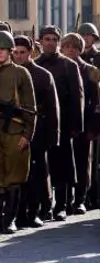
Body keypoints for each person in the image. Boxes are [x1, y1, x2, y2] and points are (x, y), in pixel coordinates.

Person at [34, 25, 84, 221]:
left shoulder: (68, 66)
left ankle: (61, 206)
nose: (51, 43)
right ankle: (44, 205)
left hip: (62, 124)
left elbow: (77, 98)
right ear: (40, 41)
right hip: (40, 124)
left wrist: (75, 126)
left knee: (62, 166)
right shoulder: (35, 65)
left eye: (55, 39)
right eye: (47, 39)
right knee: (41, 167)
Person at [11, 35, 59, 229]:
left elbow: (52, 108)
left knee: (36, 175)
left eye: (22, 52)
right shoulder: (8, 73)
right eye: (15, 52)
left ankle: (34, 212)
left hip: (37, 132)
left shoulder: (42, 75)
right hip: (12, 131)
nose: (19, 56)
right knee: (15, 176)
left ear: (30, 52)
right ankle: (17, 214)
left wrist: (53, 135)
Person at [59, 33, 100, 216]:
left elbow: (97, 101)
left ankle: (80, 200)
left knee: (82, 163)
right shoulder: (59, 68)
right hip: (64, 125)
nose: (71, 50)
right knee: (64, 164)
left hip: (85, 126)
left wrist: (95, 128)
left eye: (75, 47)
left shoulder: (90, 71)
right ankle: (64, 202)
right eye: (67, 46)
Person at [0, 31, 37, 234]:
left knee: (14, 177)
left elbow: (31, 108)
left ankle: (10, 219)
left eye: (3, 50)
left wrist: (27, 135)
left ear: (10, 51)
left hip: (15, 132)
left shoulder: (21, 74)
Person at [77, 23, 100, 209]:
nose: (85, 38)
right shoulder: (76, 57)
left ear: (94, 37)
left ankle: (94, 195)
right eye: (82, 35)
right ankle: (82, 196)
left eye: (88, 35)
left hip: (98, 114)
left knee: (96, 158)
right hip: (80, 114)